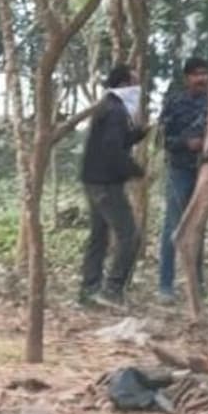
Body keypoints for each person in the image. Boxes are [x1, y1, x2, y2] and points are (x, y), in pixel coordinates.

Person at [78, 63, 149, 308]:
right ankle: (112, 290)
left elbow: (114, 141)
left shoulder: (106, 106)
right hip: (106, 184)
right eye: (135, 83)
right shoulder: (116, 111)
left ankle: (89, 289)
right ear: (124, 84)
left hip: (92, 180)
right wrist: (136, 170)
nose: (137, 89)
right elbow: (112, 150)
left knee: (98, 236)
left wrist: (138, 134)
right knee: (129, 236)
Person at [157, 56, 208, 302]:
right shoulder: (174, 102)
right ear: (187, 78)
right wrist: (186, 143)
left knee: (198, 227)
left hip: (204, 172)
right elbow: (162, 139)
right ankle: (165, 285)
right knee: (174, 226)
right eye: (197, 74)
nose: (202, 79)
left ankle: (197, 283)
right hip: (179, 170)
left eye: (205, 73)